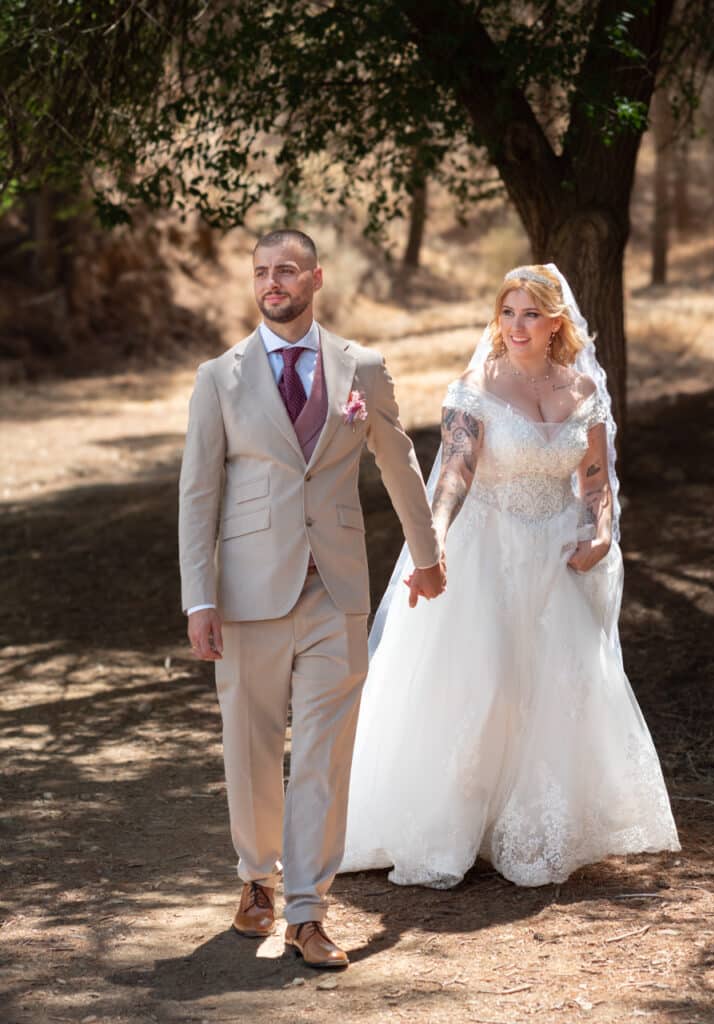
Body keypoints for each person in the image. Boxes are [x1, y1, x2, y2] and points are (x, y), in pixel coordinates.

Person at [340, 264, 680, 888]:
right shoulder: (477, 385)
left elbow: (596, 478)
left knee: (556, 687)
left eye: (530, 314)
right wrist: (434, 535)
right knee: (487, 683)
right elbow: (455, 469)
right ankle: (453, 825)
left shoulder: (585, 392)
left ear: (556, 322)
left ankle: (525, 826)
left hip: (555, 555)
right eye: (507, 313)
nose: (516, 326)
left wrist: (600, 532)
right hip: (486, 549)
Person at [178, 229, 445, 967]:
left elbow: (397, 461)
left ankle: (307, 911)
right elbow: (198, 495)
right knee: (253, 746)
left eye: (286, 270)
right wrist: (198, 599)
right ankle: (256, 880)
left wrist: (426, 556)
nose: (273, 282)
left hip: (335, 586)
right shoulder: (219, 378)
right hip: (246, 592)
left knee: (325, 754)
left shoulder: (362, 366)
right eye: (262, 272)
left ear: (315, 278)